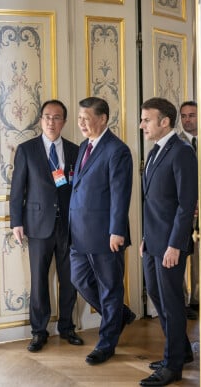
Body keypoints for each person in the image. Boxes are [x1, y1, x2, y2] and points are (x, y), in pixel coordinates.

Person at [9, 99, 83, 352]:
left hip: (69, 226)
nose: (52, 122)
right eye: (47, 117)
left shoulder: (75, 150)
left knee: (69, 280)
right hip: (38, 225)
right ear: (41, 120)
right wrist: (16, 221)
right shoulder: (27, 150)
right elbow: (17, 189)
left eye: (57, 117)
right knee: (39, 281)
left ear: (64, 121)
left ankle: (67, 327)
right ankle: (39, 331)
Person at [68, 96, 135, 366]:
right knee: (79, 279)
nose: (81, 123)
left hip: (106, 235)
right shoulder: (85, 145)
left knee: (109, 289)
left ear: (103, 118)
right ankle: (119, 314)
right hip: (79, 233)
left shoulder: (117, 150)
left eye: (86, 118)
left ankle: (106, 344)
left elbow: (121, 195)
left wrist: (117, 231)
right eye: (80, 117)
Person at [139, 97, 198, 386]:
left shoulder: (182, 152)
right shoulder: (154, 152)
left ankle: (173, 365)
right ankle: (183, 351)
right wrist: (145, 238)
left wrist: (176, 244)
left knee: (172, 303)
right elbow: (154, 202)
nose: (142, 125)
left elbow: (186, 205)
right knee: (156, 294)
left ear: (164, 122)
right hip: (153, 242)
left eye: (146, 120)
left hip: (171, 245)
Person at [178, 100, 200, 320]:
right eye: (183, 116)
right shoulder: (177, 143)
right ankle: (182, 301)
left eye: (192, 115)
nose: (187, 119)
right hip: (184, 209)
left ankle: (198, 298)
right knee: (182, 253)